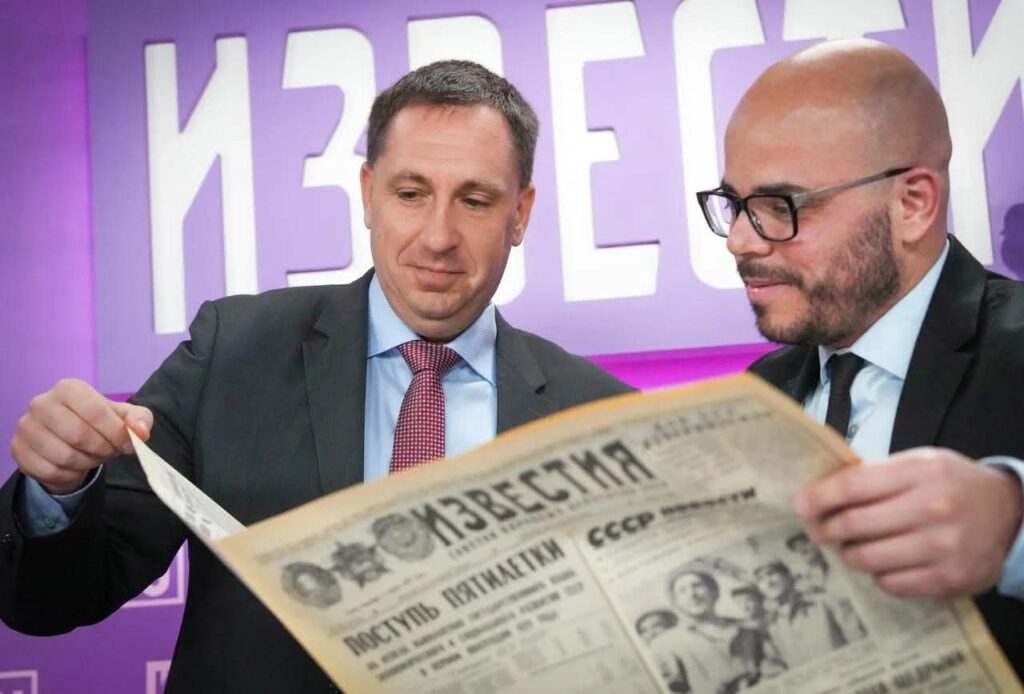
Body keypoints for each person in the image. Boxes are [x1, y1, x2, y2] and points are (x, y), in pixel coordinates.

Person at [0, 61, 631, 693]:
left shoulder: (602, 419)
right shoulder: (233, 354)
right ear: (368, 193)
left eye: (474, 201)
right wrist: (56, 489)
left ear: (520, 213)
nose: (438, 236)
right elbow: (50, 599)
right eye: (411, 194)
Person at [695, 39, 1024, 674]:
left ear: (913, 204)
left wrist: (1012, 529)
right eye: (734, 204)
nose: (739, 241)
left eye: (780, 206)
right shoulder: (756, 395)